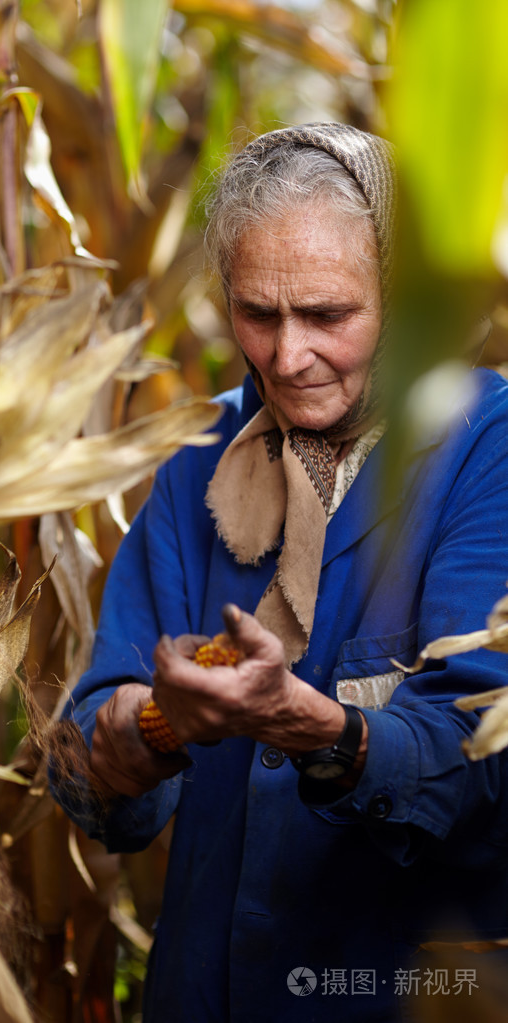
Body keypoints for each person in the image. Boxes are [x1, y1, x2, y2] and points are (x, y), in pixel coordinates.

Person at [50, 123, 508, 1021]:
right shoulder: (196, 461)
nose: (288, 357)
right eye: (259, 314)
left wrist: (318, 729)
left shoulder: (485, 447)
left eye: (329, 316)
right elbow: (86, 777)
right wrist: (149, 726)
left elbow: (482, 763)